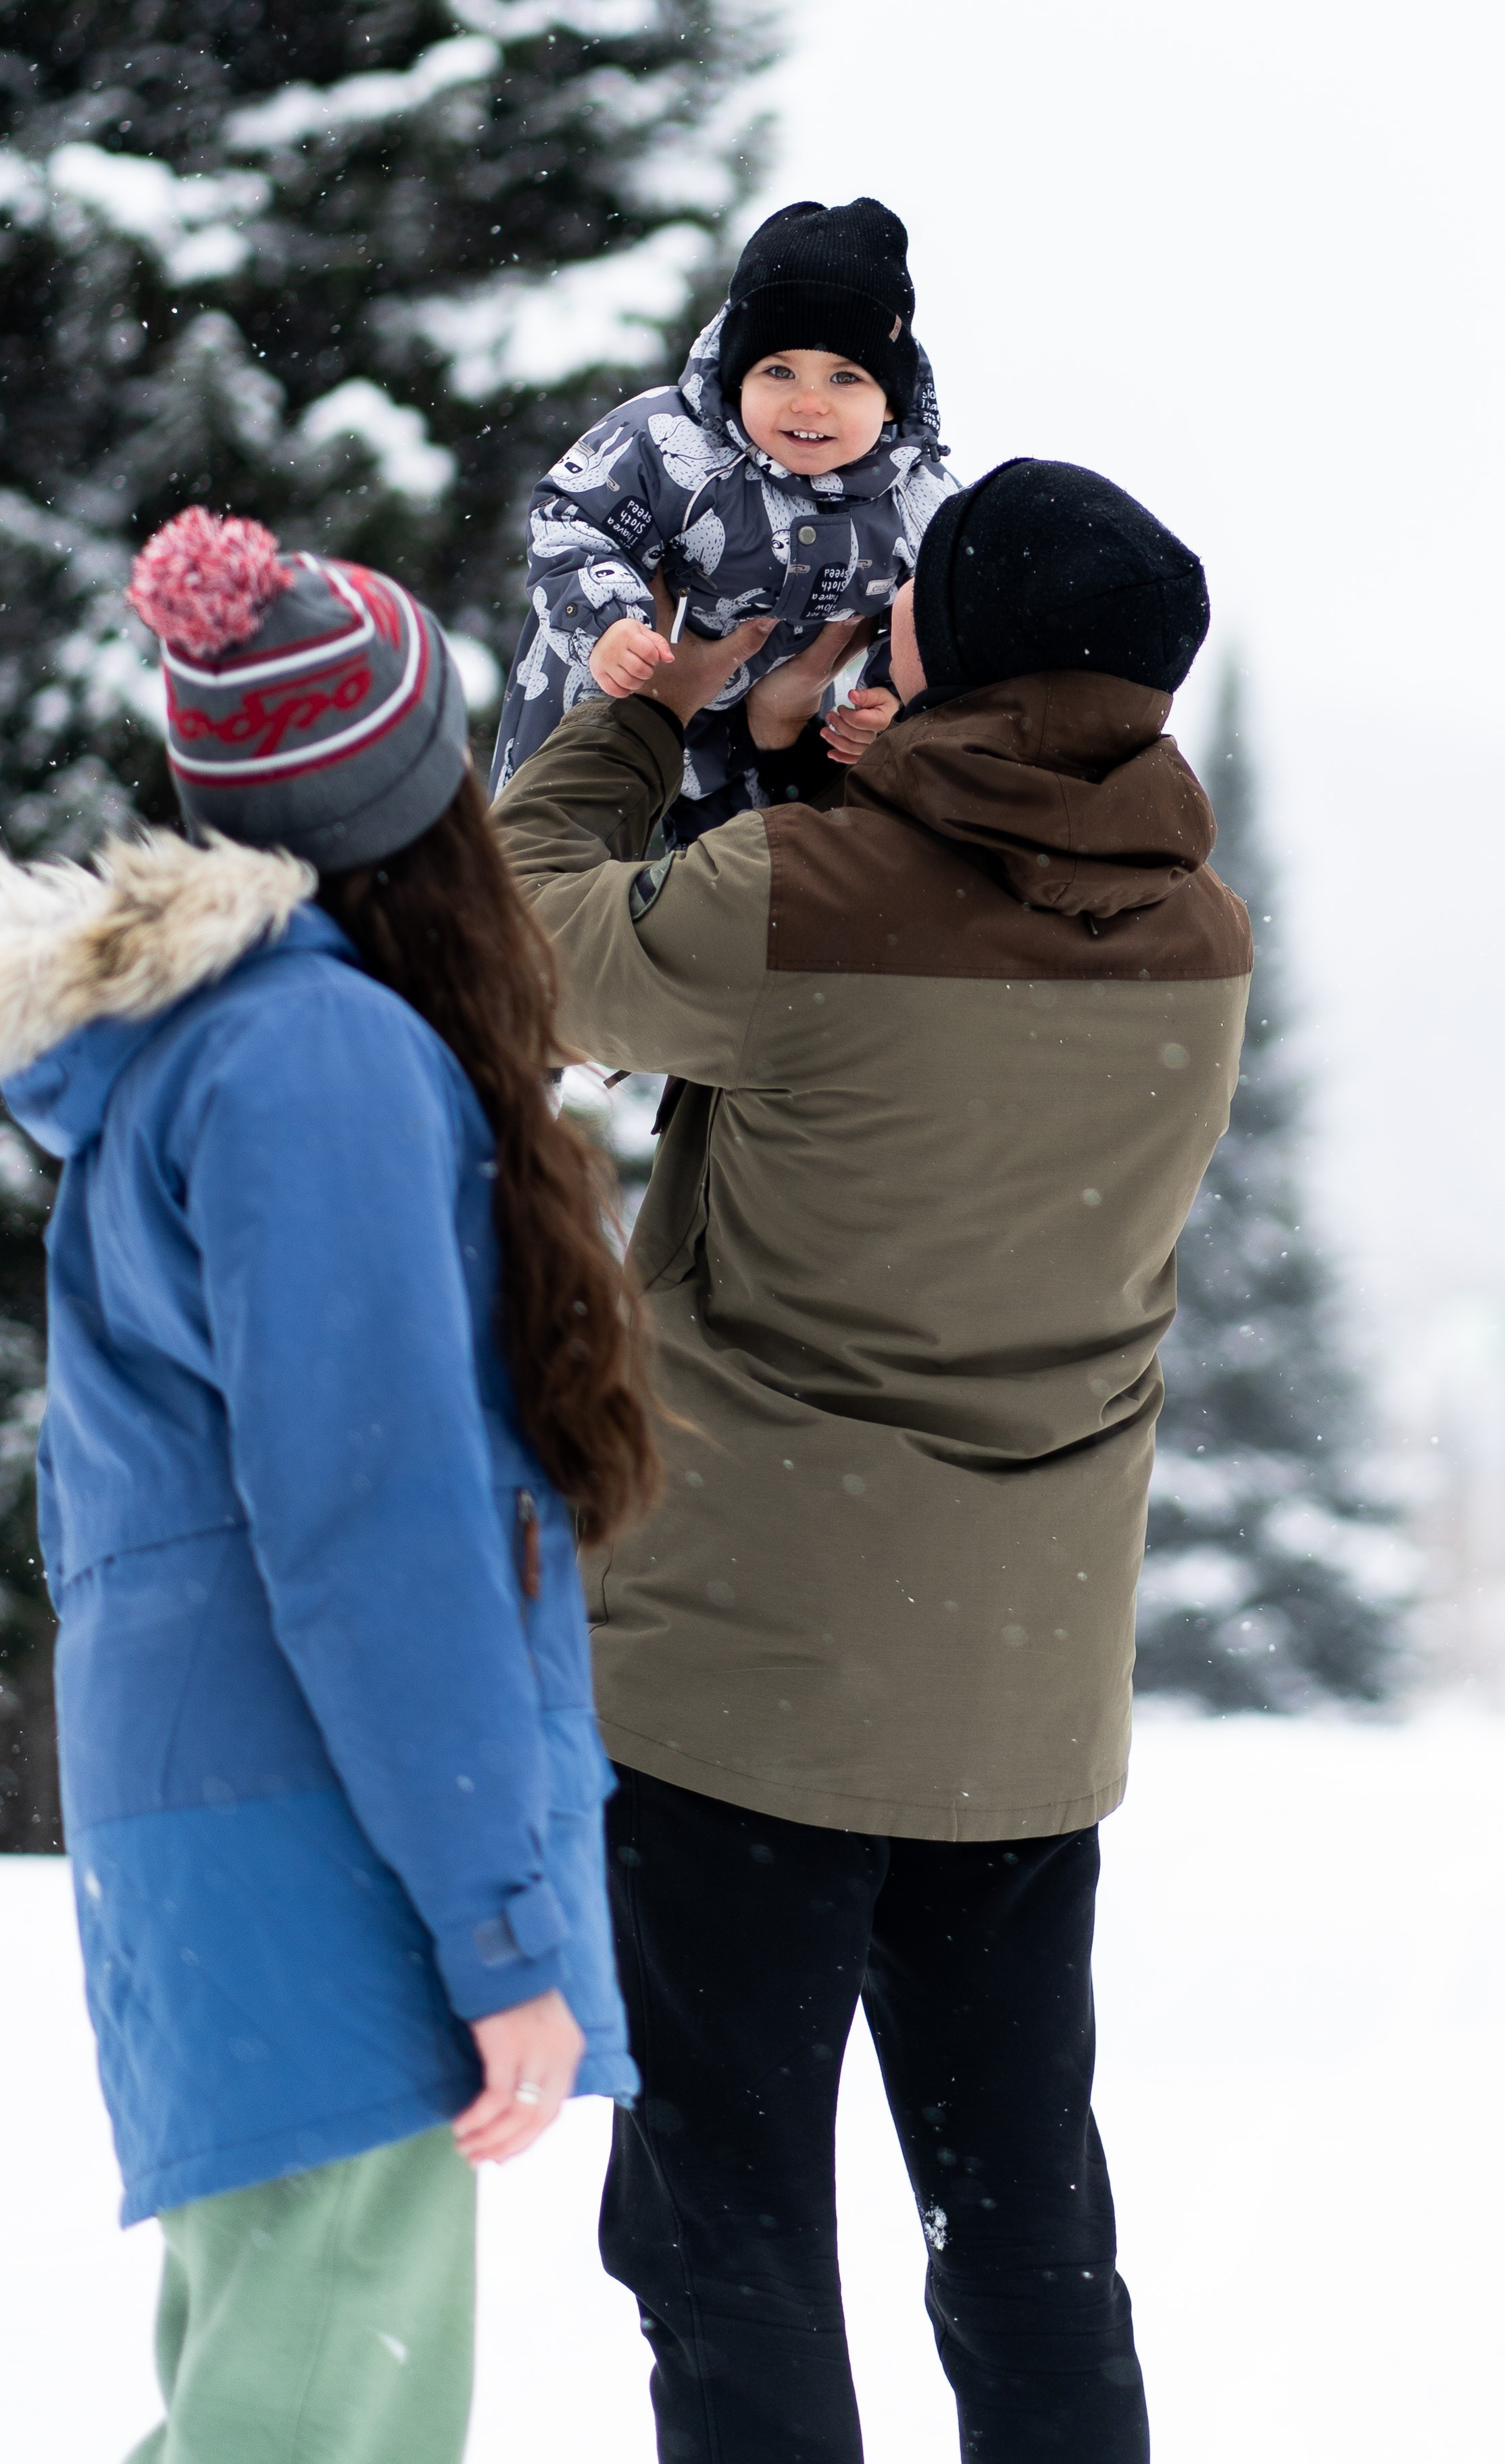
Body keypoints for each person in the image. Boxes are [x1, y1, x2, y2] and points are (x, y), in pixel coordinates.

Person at [491, 455, 1255, 2463]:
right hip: (1019, 1692)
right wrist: (868, 761)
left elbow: (524, 937)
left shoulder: (802, 897)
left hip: (747, 1686)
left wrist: (650, 720)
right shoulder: (1200, 938)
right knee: (1025, 2230)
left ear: (964, 645)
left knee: (726, 2230)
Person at [0, 507, 656, 2464]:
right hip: (324, 1838)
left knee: (267, 2400)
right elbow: (375, 1532)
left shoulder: (210, 1049)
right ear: (421, 795)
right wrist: (498, 1927)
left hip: (233, 1821)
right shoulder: (316, 1061)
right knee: (308, 2422)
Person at [489, 195, 960, 843]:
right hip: (604, 704)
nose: (809, 402)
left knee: (718, 883)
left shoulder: (918, 500)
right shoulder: (667, 442)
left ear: (890, 402)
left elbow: (937, 610)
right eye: (779, 371)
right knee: (560, 867)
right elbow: (571, 518)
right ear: (738, 379)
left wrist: (890, 695)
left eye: (845, 378)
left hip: (750, 752)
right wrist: (608, 624)